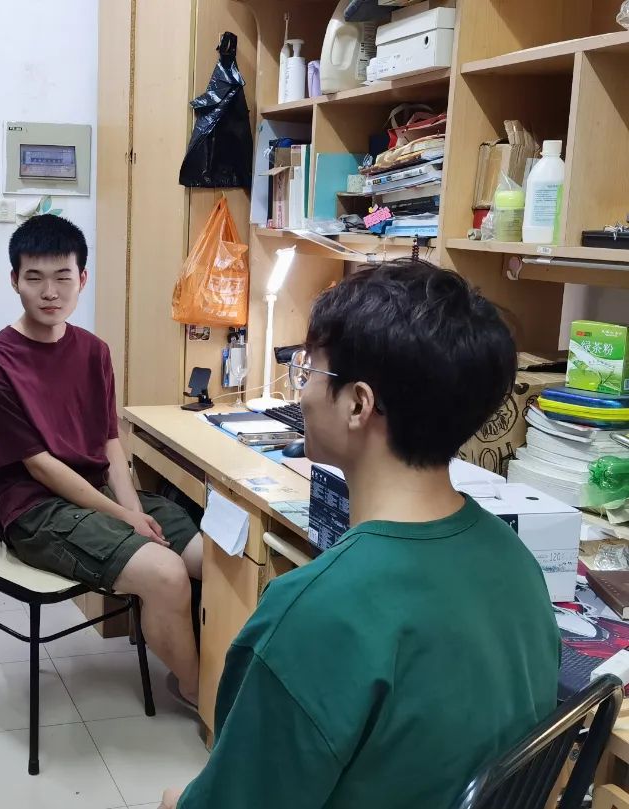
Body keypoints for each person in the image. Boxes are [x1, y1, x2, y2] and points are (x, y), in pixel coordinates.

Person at [160, 260, 561, 809]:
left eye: (311, 372)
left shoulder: (313, 614)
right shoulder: (515, 560)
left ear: (357, 404)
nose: (302, 393)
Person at [0, 214, 205, 709]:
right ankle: (203, 695)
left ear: (82, 278)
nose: (49, 292)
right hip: (35, 510)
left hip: (97, 495)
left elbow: (109, 443)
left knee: (210, 560)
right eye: (34, 278)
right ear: (14, 280)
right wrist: (124, 516)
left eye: (62, 277)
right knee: (165, 573)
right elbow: (40, 467)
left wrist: (132, 509)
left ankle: (221, 669)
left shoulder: (94, 352)